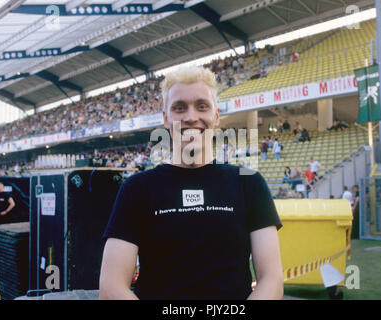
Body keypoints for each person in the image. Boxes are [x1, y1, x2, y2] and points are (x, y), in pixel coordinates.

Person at [99, 66, 284, 300]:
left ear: (216, 116)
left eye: (202, 106)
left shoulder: (249, 183)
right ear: (166, 119)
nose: (191, 117)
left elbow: (272, 281)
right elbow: (111, 287)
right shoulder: (137, 189)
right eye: (179, 108)